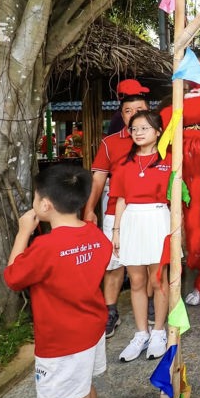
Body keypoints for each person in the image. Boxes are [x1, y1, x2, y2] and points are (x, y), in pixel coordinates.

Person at [3, 164, 113, 398]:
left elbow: (13, 277)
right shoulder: (96, 235)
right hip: (91, 329)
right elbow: (97, 257)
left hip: (63, 339)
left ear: (45, 204)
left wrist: (22, 233)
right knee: (83, 382)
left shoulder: (45, 247)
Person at [84, 92, 150, 339]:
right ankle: (110, 311)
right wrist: (89, 209)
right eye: (128, 111)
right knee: (113, 264)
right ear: (121, 115)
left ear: (148, 110)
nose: (133, 115)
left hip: (150, 211)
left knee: (150, 261)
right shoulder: (110, 142)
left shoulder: (160, 138)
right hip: (115, 212)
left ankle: (151, 303)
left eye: (139, 109)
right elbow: (98, 178)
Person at [111, 111, 173, 362]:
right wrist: (116, 231)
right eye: (134, 129)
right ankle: (141, 333)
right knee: (136, 280)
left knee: (158, 279)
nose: (138, 133)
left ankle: (159, 331)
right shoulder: (123, 164)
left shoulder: (169, 161)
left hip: (159, 218)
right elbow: (120, 200)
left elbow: (177, 199)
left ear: (158, 131)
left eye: (145, 128)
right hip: (132, 221)